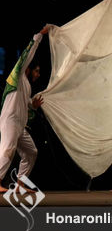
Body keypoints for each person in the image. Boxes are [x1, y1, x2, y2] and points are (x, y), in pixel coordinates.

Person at [0, 25, 51, 193]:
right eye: (36, 71)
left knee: (31, 152)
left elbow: (24, 104)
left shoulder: (26, 86)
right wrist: (39, 36)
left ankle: (20, 186)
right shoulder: (18, 75)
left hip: (19, 124)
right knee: (7, 149)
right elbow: (26, 56)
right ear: (28, 69)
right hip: (10, 120)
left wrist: (32, 106)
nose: (38, 74)